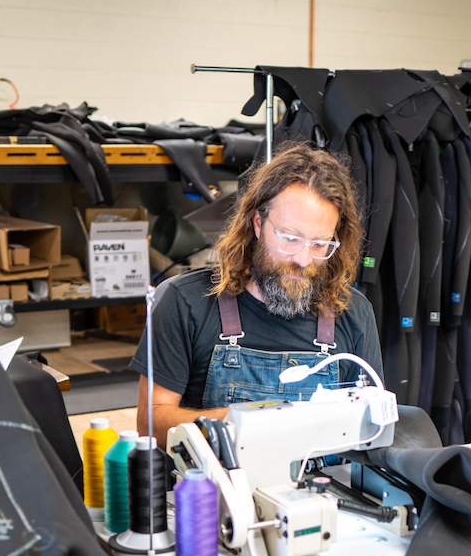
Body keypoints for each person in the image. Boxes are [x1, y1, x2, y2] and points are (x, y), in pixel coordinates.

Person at [131, 142, 383, 446]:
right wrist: (256, 420)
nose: (303, 259)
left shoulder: (353, 314)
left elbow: (372, 432)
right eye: (290, 239)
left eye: (320, 245)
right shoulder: (184, 302)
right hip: (219, 489)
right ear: (258, 223)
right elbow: (151, 424)